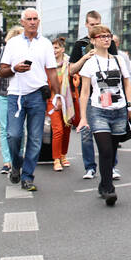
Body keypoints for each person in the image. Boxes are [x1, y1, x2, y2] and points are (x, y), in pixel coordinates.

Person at [75, 24, 131, 206]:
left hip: (118, 110)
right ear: (93, 40)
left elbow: (127, 85)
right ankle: (109, 189)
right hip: (98, 110)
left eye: (108, 36)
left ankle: (103, 183)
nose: (106, 39)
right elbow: (85, 92)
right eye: (102, 36)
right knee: (105, 149)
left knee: (113, 149)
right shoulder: (90, 63)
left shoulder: (118, 60)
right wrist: (84, 117)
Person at [0, 8, 59, 191]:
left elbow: (52, 71)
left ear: (38, 21)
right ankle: (16, 164)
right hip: (15, 95)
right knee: (13, 135)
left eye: (35, 19)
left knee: (35, 138)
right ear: (23, 22)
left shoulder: (46, 44)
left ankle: (27, 176)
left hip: (37, 95)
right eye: (29, 19)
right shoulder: (13, 43)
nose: (32, 22)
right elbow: (2, 71)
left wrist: (57, 95)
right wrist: (15, 69)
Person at [69, 11, 120, 181]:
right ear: (87, 25)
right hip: (89, 95)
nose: (96, 27)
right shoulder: (80, 44)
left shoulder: (107, 42)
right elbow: (71, 69)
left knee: (111, 134)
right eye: (92, 25)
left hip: (107, 93)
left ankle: (112, 166)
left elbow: (117, 65)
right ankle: (90, 167)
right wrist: (85, 57)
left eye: (98, 23)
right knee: (86, 132)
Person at [0, 26, 22, 178]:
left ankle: (18, 159)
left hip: (20, 94)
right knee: (5, 129)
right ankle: (7, 161)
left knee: (19, 130)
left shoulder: (26, 52)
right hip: (3, 94)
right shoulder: (0, 52)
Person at [46, 38, 73, 169]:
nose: (54, 51)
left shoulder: (69, 64)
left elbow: (75, 79)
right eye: (52, 48)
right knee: (58, 130)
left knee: (67, 128)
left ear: (62, 49)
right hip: (53, 100)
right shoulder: (47, 65)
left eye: (56, 48)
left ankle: (63, 155)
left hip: (68, 101)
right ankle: (56, 159)